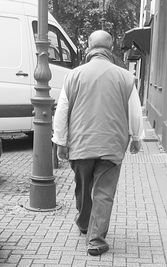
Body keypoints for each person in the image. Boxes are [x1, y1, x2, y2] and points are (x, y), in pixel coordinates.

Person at [52, 30, 144, 256]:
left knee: (83, 188)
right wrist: (136, 137)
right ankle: (96, 240)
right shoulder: (124, 77)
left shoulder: (73, 75)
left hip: (81, 145)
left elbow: (62, 111)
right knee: (104, 192)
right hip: (112, 146)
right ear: (110, 49)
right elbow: (135, 110)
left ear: (89, 49)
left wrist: (60, 142)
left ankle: (84, 223)